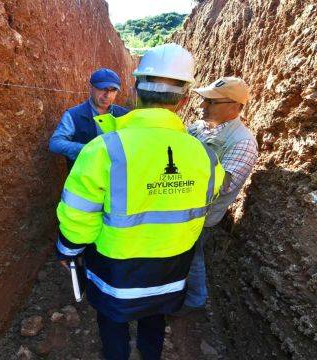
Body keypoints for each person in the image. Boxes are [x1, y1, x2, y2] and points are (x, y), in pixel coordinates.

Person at [54, 44, 225, 360]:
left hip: (115, 268)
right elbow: (209, 198)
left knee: (112, 321)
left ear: (134, 90)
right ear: (184, 100)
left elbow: (79, 214)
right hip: (171, 267)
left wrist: (68, 249)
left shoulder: (102, 150)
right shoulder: (206, 155)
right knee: (154, 318)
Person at [179, 76, 259, 313]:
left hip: (201, 216)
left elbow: (223, 185)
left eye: (211, 102)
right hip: (181, 207)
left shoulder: (243, 142)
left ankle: (195, 299)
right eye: (205, 100)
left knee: (192, 256)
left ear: (235, 107)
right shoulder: (197, 127)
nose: (203, 106)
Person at [49, 68, 129, 170]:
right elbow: (55, 143)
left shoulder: (125, 115)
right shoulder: (73, 115)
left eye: (113, 90)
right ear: (91, 88)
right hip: (83, 180)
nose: (107, 95)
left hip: (114, 180)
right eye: (103, 89)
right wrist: (88, 149)